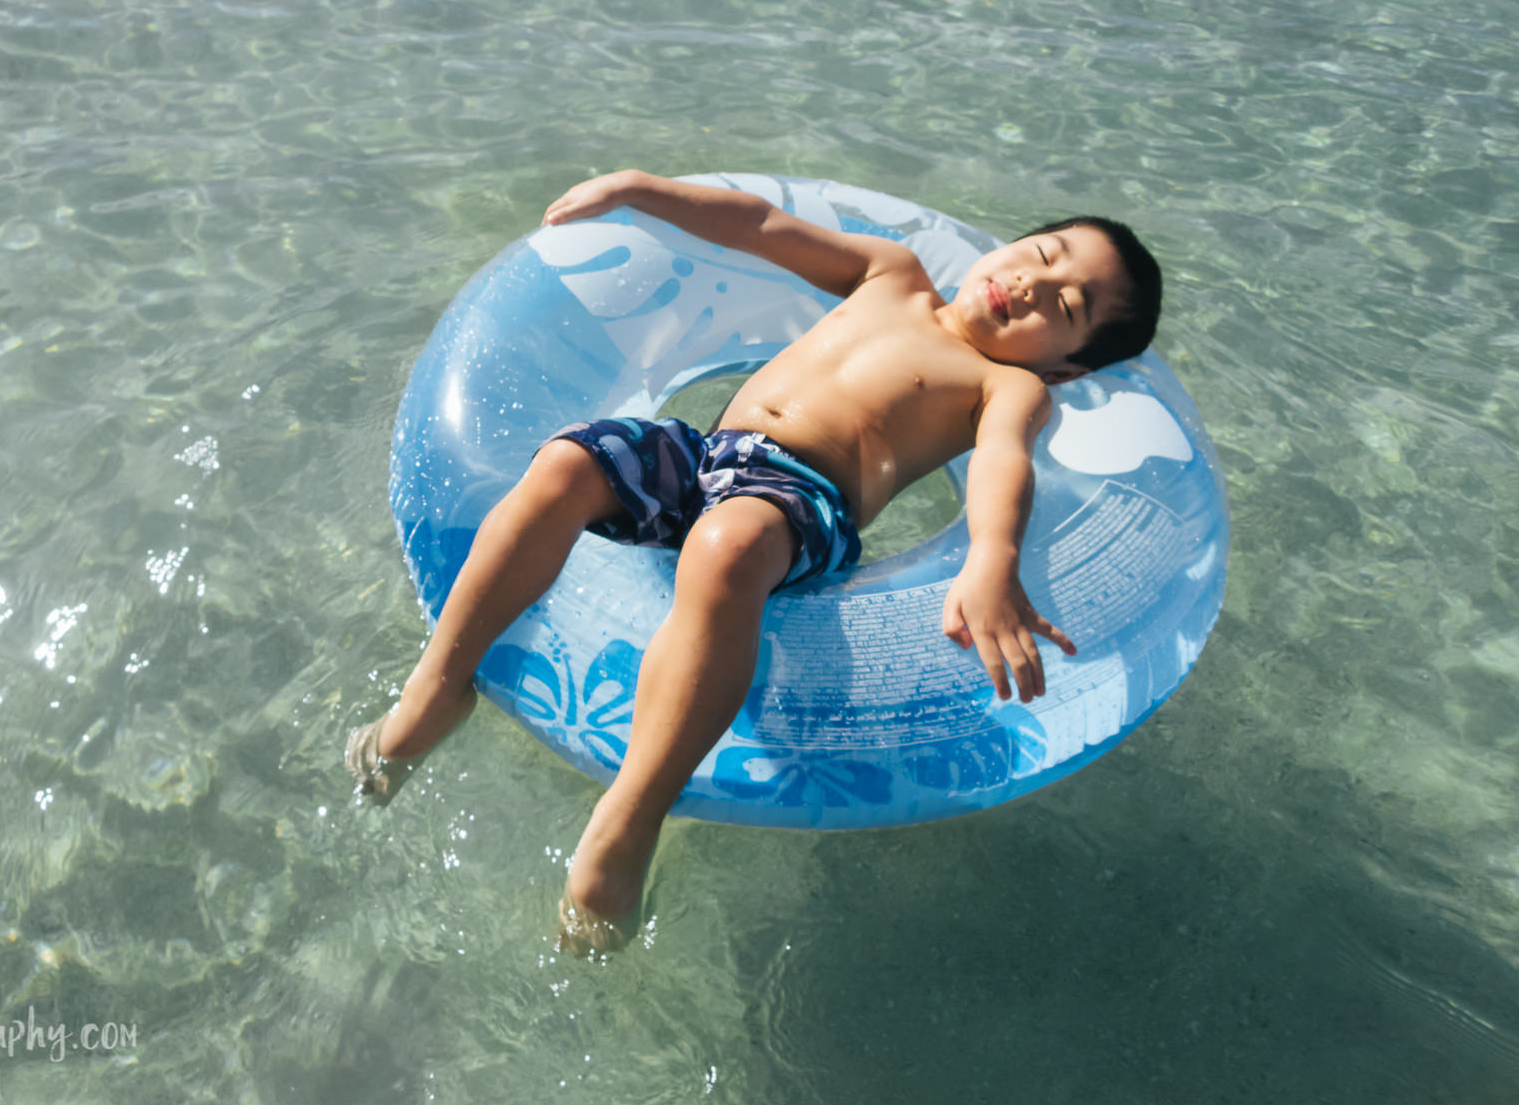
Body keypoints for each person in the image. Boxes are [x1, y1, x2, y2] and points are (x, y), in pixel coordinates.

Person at [348, 169, 1162, 953]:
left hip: (803, 505)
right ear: (1011, 246)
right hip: (708, 452)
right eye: (1044, 258)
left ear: (1066, 364)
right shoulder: (892, 273)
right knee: (564, 465)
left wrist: (991, 560)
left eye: (1064, 307)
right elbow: (761, 227)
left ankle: (631, 817)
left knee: (726, 545)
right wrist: (641, 189)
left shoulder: (1010, 388)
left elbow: (1000, 467)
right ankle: (439, 686)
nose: (1031, 287)